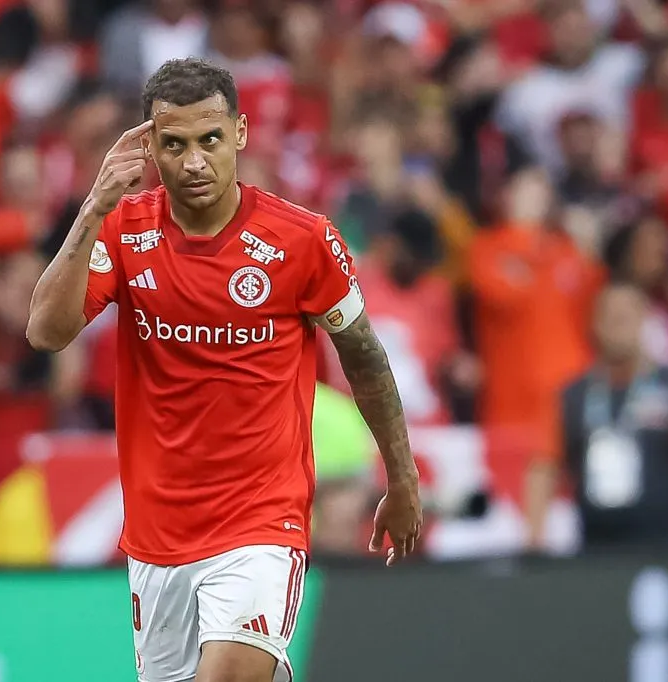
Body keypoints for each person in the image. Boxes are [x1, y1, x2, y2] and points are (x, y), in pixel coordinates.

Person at [27, 58, 423, 682]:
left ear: (238, 133)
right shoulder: (126, 230)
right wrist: (92, 208)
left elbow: (366, 358)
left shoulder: (303, 241)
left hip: (262, 521)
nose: (194, 162)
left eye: (210, 139)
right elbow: (46, 332)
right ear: (150, 146)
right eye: (174, 144)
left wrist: (401, 477)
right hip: (157, 535)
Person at [526, 281, 668, 552]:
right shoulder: (571, 396)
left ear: (644, 320)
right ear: (594, 324)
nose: (618, 323)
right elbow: (543, 467)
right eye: (610, 315)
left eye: (626, 314)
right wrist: (533, 543)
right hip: (596, 549)